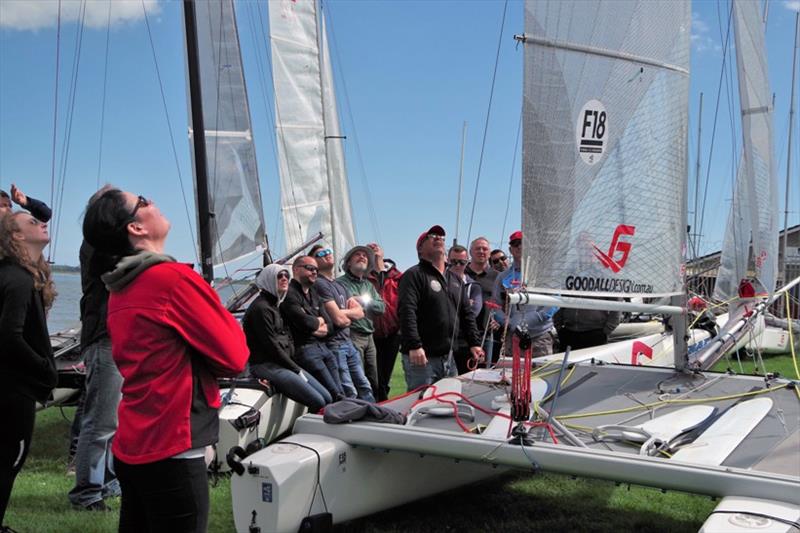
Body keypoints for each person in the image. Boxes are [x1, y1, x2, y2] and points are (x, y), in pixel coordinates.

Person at [82, 189, 249, 533]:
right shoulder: (172, 279)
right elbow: (235, 357)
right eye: (143, 200)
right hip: (174, 444)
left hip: (133, 443)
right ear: (136, 228)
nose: (154, 200)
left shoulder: (119, 287)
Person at [0, 211, 58, 531]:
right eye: (32, 223)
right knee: (9, 462)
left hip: (7, 387)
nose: (42, 223)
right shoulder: (19, 279)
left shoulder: (13, 274)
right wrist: (46, 370)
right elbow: (9, 336)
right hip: (13, 392)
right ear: (17, 237)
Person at [68, 187, 124, 512]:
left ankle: (108, 482)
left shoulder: (104, 244)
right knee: (101, 420)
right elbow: (119, 274)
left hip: (112, 334)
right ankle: (87, 493)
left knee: (112, 418)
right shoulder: (99, 244)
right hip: (105, 336)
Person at [397, 225, 484, 391]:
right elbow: (407, 311)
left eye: (441, 237)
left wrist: (474, 343)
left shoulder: (455, 279)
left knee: (449, 401)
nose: (438, 238)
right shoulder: (414, 275)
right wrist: (414, 345)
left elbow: (466, 314)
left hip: (449, 357)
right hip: (422, 358)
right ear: (420, 248)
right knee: (421, 404)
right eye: (432, 236)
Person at [243, 264, 332, 413]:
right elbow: (271, 345)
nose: (284, 279)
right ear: (268, 279)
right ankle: (305, 432)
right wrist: (295, 369)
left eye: (286, 276)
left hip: (284, 364)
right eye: (279, 276)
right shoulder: (261, 308)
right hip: (266, 365)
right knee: (318, 401)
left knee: (328, 398)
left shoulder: (276, 305)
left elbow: (288, 337)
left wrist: (293, 366)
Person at [310, 244, 374, 402]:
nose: (327, 254)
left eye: (329, 251)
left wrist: (342, 313)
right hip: (334, 344)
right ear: (314, 263)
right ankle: (350, 420)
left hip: (348, 342)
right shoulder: (319, 284)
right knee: (348, 389)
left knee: (364, 385)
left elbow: (360, 312)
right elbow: (337, 319)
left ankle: (373, 416)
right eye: (321, 253)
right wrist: (345, 315)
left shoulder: (339, 285)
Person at [280, 255, 345, 401]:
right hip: (305, 350)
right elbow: (305, 323)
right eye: (310, 268)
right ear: (296, 269)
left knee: (340, 390)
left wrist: (317, 323)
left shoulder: (313, 293)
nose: (315, 272)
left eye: (316, 269)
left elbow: (330, 324)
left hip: (323, 347)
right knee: (334, 394)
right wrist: (317, 321)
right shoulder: (289, 294)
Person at [492, 231, 556, 357]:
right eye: (515, 244)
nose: (520, 247)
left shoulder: (545, 274)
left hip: (540, 337)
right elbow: (495, 305)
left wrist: (538, 317)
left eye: (523, 243)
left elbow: (556, 300)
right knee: (512, 375)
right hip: (514, 336)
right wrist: (508, 323)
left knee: (542, 375)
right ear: (510, 249)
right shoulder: (502, 277)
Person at [336, 246, 385, 395]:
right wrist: (366, 302)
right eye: (357, 254)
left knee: (373, 378)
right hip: (352, 335)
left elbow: (381, 308)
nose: (362, 257)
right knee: (358, 378)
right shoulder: (340, 283)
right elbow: (350, 306)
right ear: (348, 263)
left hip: (369, 337)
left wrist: (363, 300)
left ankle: (375, 409)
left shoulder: (368, 285)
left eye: (365, 255)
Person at [366, 243, 403, 402]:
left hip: (392, 334)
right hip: (370, 334)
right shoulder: (364, 277)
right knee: (373, 376)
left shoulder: (397, 277)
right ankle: (379, 403)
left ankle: (382, 403)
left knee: (384, 376)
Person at [446, 245, 483, 375]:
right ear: (447, 260)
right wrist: (465, 304)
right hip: (445, 342)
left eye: (461, 262)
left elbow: (473, 313)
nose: (457, 265)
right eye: (453, 262)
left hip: (465, 343)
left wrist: (452, 308)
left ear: (467, 262)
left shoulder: (474, 286)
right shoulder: (440, 281)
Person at [465, 237, 500, 363]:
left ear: (489, 253)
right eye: (477, 248)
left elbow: (505, 303)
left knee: (486, 375)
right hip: (463, 335)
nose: (481, 251)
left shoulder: (497, 277)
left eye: (484, 249)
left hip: (488, 336)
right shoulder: (461, 274)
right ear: (470, 252)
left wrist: (500, 319)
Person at [554, 306, 621, 351]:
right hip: (568, 332)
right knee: (565, 367)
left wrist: (607, 330)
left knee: (593, 367)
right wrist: (558, 326)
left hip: (595, 334)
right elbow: (558, 300)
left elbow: (617, 305)